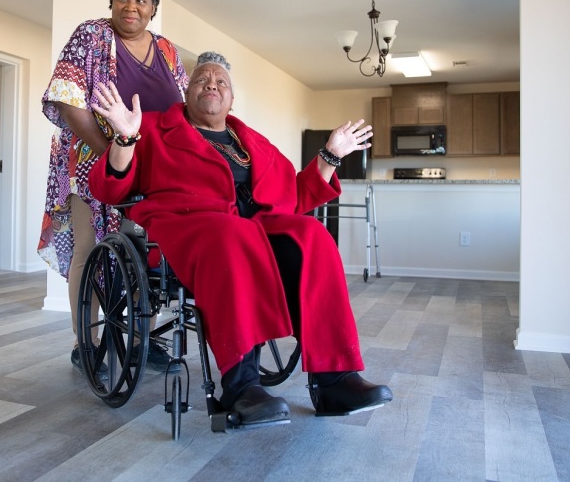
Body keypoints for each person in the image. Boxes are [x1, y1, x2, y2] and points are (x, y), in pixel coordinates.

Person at [87, 51, 393, 424]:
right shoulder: (152, 128)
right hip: (188, 227)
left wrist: (329, 155)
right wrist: (125, 136)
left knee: (313, 235)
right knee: (233, 233)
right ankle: (241, 386)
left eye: (221, 82)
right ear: (186, 91)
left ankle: (336, 380)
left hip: (255, 230)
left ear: (231, 99)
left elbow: (294, 197)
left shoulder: (251, 141)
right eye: (202, 80)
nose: (212, 85)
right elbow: (110, 189)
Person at [39, 0, 189, 375]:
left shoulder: (169, 51)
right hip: (89, 161)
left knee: (148, 254)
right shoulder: (91, 35)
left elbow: (183, 114)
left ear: (153, 7)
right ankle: (84, 342)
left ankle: (144, 339)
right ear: (111, 1)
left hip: (150, 169)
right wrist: (112, 152)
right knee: (89, 254)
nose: (131, 6)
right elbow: (68, 99)